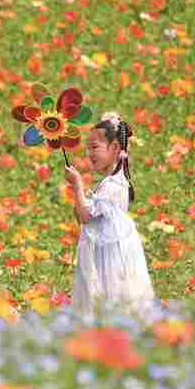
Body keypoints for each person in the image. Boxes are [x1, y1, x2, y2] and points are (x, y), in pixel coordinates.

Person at [64, 112, 157, 320]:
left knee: (109, 305)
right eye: (88, 148)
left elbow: (85, 217)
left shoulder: (112, 186)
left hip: (110, 261)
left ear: (115, 148)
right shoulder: (112, 183)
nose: (89, 153)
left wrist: (77, 184)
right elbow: (84, 217)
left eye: (94, 147)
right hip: (107, 255)